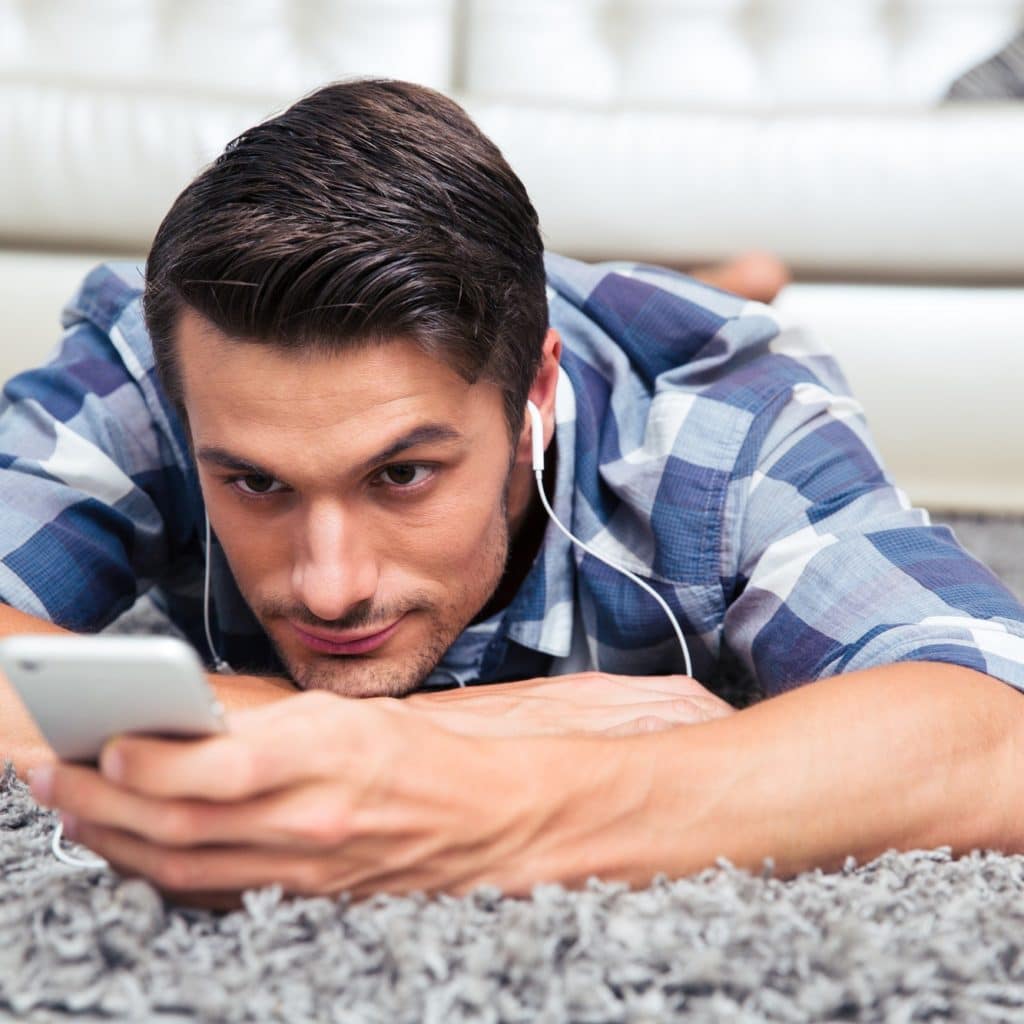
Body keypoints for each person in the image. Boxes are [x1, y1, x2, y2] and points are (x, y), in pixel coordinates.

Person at [2, 80, 1023, 908]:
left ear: (536, 392)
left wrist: (509, 808)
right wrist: (439, 731)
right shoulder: (172, 363)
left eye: (402, 472)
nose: (328, 587)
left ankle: (699, 283)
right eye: (256, 482)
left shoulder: (720, 418)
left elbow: (993, 731)